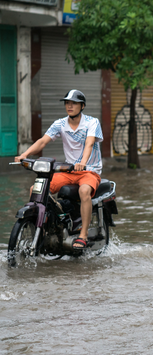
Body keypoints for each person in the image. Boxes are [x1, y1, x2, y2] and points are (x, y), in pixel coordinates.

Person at [15, 90, 103, 249]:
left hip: (89, 170)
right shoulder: (60, 124)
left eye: (74, 103)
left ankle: (83, 235)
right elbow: (43, 141)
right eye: (67, 103)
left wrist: (82, 163)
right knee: (36, 189)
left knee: (84, 191)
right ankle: (44, 229)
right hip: (69, 171)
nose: (70, 106)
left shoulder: (92, 122)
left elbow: (89, 144)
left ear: (82, 106)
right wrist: (24, 154)